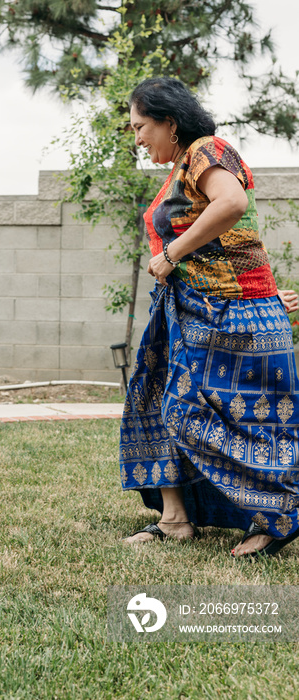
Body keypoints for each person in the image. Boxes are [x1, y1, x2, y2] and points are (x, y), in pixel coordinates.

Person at [120, 77, 299, 558]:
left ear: (169, 122)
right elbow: (233, 238)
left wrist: (173, 254)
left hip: (226, 316)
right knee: (156, 400)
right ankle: (175, 519)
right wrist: (261, 290)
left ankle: (279, 511)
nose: (136, 138)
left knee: (209, 415)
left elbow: (233, 204)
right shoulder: (183, 165)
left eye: (140, 127)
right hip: (196, 309)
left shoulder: (206, 149)